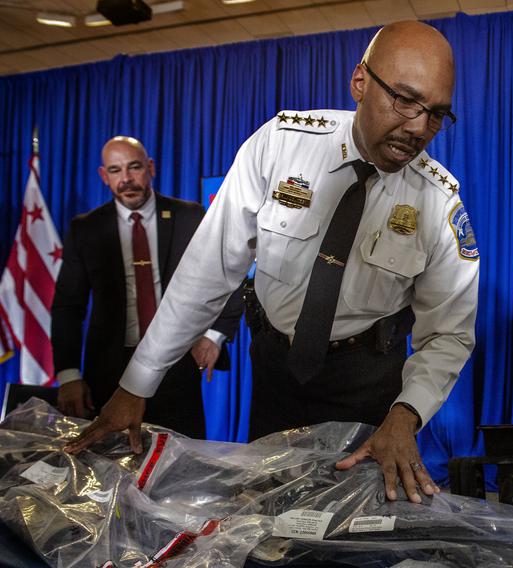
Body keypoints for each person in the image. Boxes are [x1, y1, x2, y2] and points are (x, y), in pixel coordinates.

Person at [65, 21, 480, 506]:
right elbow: (207, 272)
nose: (417, 128)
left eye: (435, 114)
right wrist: (136, 385)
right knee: (267, 521)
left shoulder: (439, 199)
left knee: (356, 535)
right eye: (405, 101)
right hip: (276, 374)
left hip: (369, 388)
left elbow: (449, 331)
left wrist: (405, 415)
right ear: (360, 83)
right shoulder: (280, 145)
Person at [52, 136, 243, 439]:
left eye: (134, 167)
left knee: (180, 469)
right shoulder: (86, 229)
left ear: (150, 167)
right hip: (108, 374)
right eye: (115, 171)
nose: (126, 179)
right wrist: (68, 374)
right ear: (104, 176)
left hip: (175, 366)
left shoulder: (189, 216)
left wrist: (214, 335)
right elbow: (67, 307)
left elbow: (227, 274)